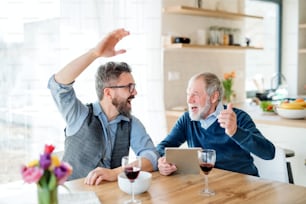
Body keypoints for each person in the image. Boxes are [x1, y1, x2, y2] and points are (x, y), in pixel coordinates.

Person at [48, 28, 159, 185]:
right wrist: (94, 53)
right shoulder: (79, 115)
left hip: (110, 197)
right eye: (129, 87)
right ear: (108, 93)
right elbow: (58, 84)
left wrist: (115, 173)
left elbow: (151, 157)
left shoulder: (131, 123)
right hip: (72, 196)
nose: (135, 92)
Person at [157, 72, 275, 177]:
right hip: (208, 184)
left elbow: (268, 153)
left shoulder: (237, 118)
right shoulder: (187, 119)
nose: (189, 100)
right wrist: (163, 161)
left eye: (195, 94)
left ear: (214, 97)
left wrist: (235, 131)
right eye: (188, 94)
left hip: (242, 186)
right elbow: (162, 147)